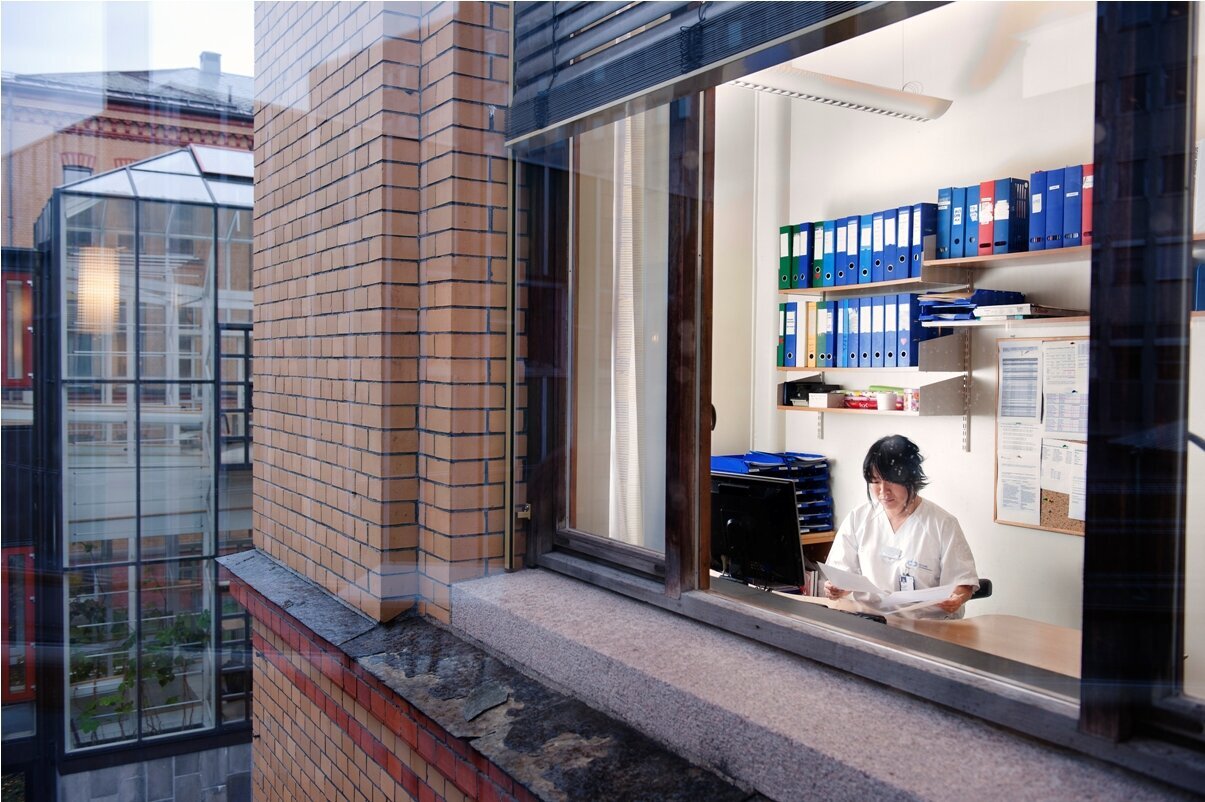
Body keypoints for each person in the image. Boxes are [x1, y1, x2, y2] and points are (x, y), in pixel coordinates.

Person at [823, 435, 979, 619]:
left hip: (926, 625)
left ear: (911, 479)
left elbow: (963, 582)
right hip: (869, 621)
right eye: (876, 481)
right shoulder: (858, 519)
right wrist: (837, 589)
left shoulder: (943, 524)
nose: (883, 491)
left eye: (891, 481)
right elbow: (840, 574)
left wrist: (956, 598)